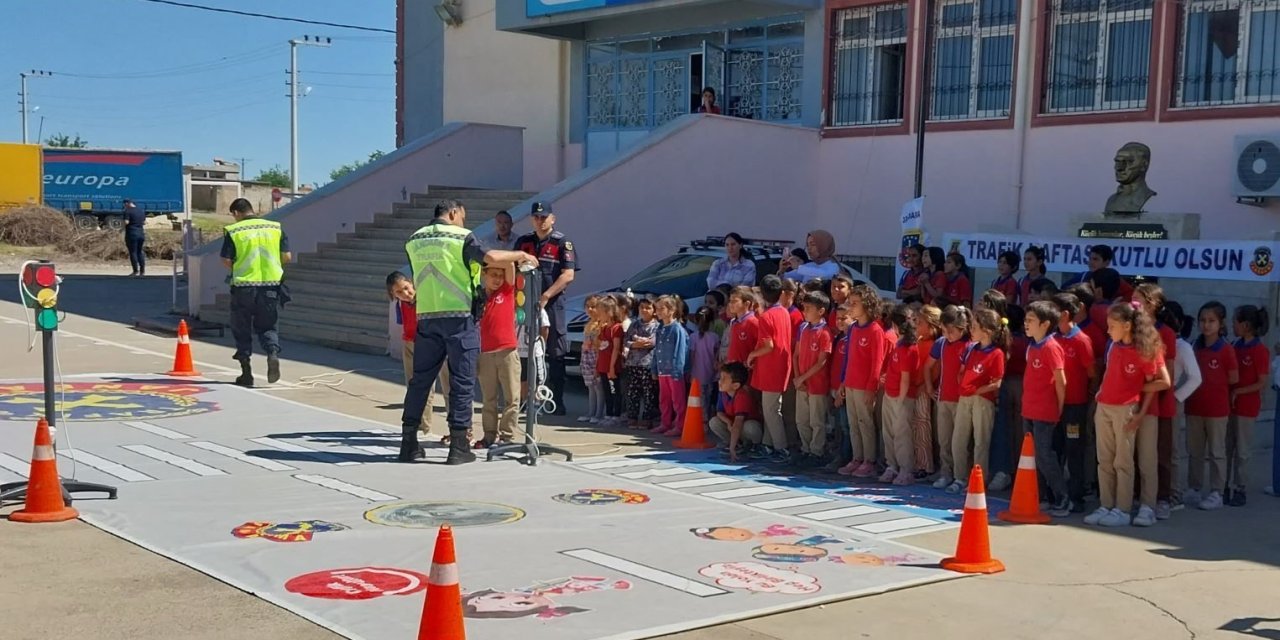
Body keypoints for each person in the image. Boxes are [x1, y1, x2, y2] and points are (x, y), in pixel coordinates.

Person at [399, 199, 537, 464]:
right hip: (459, 319)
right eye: (462, 216)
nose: (463, 221)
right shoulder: (460, 236)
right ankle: (459, 445)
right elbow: (491, 257)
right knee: (462, 382)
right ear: (453, 213)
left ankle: (408, 443)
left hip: (427, 317)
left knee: (420, 382)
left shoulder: (414, 239)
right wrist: (521, 255)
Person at [1085, 301, 1170, 527]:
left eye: (1112, 325)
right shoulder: (1114, 346)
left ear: (1127, 325)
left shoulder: (1145, 349)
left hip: (1127, 408)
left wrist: (1137, 405)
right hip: (1105, 405)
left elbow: (1159, 383)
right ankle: (1106, 504)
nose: (1108, 330)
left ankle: (1124, 509)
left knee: (1126, 461)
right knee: (1105, 460)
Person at [221, 198, 291, 387]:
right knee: (268, 326)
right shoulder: (275, 228)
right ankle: (272, 352)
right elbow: (287, 256)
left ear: (236, 213)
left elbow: (226, 260)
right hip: (270, 287)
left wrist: (240, 268)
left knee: (241, 328)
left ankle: (246, 373)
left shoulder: (235, 231)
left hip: (244, 288)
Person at [516, 201, 577, 415]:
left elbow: (568, 275)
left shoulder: (562, 243)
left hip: (552, 305)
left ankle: (556, 401)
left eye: (544, 217)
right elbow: (514, 270)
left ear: (552, 219)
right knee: (525, 352)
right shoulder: (524, 242)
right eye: (536, 217)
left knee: (555, 353)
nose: (540, 221)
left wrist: (546, 296)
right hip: (525, 304)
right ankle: (526, 399)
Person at [1184, 301, 1238, 510]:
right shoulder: (1193, 346)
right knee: (1195, 451)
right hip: (1194, 407)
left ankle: (1217, 492)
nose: (1206, 325)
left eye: (1211, 321)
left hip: (1217, 410)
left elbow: (1233, 377)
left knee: (1217, 451)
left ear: (1221, 323)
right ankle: (1194, 488)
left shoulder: (1226, 349)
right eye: (1203, 320)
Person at [387, 271, 451, 439]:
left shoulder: (426, 297)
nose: (405, 293)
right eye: (399, 292)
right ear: (393, 294)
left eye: (406, 288)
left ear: (412, 283)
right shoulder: (401, 304)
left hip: (433, 342)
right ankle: (423, 427)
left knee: (449, 386)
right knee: (417, 387)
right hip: (410, 343)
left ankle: (457, 429)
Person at [950, 309, 1007, 493]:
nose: (971, 330)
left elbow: (997, 382)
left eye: (974, 327)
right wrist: (962, 381)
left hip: (982, 400)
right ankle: (959, 477)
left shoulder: (996, 353)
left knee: (981, 442)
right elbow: (962, 370)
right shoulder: (971, 348)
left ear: (987, 331)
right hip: (964, 398)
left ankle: (978, 480)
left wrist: (977, 390)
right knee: (958, 439)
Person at [1023, 301, 1071, 516]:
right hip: (1029, 408)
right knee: (1032, 456)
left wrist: (1058, 408)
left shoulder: (1051, 347)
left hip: (1044, 411)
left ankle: (1062, 497)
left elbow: (1061, 381)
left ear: (1045, 324)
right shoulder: (1032, 345)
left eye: (1031, 320)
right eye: (1026, 319)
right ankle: (1042, 496)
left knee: (1045, 455)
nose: (1026, 323)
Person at [1051, 292, 1096, 512]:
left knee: (1074, 449)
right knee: (1055, 448)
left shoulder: (1081, 340)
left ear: (1065, 314)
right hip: (1054, 405)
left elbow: (1092, 372)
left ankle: (1077, 496)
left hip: (1074, 407)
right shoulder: (1053, 338)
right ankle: (1056, 493)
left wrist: (1088, 397)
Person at [837, 284, 885, 477]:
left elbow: (877, 362)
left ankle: (869, 460)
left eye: (855, 303)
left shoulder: (875, 330)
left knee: (865, 423)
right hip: (850, 383)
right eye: (850, 303)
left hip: (864, 386)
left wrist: (871, 388)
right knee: (854, 423)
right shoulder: (853, 329)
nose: (851, 307)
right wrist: (843, 382)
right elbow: (848, 358)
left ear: (867, 304)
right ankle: (857, 458)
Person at [747, 276, 794, 461]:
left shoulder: (766, 317)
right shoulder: (784, 312)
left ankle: (781, 448)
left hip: (771, 368)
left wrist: (752, 355)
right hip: (781, 365)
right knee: (770, 408)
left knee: (771, 410)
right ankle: (768, 444)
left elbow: (769, 346)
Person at [1229, 305, 1269, 507]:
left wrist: (1238, 391)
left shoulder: (1259, 350)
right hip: (1230, 406)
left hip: (1246, 407)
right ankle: (1224, 485)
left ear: (1245, 325)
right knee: (1227, 447)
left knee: (1242, 450)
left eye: (1235, 322)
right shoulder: (1235, 346)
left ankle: (1240, 487)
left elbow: (1261, 382)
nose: (1232, 325)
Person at [476, 263, 520, 449]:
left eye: (500, 276)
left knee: (512, 397)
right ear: (484, 274)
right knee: (489, 398)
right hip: (485, 353)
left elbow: (510, 264)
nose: (497, 279)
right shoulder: (477, 297)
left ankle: (507, 436)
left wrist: (496, 258)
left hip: (507, 351)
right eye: (493, 275)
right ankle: (488, 435)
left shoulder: (506, 291)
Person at [881, 303, 921, 485]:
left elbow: (906, 378)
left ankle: (906, 469)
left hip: (902, 397)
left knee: (901, 434)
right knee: (889, 432)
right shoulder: (899, 344)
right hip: (890, 394)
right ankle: (892, 466)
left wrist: (901, 400)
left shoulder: (909, 348)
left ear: (896, 326)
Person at [792, 292, 832, 465]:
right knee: (801, 419)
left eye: (808, 308)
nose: (804, 311)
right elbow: (796, 355)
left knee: (817, 421)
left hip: (817, 383)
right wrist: (797, 377)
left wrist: (802, 378)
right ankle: (806, 448)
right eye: (804, 307)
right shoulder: (802, 328)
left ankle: (817, 451)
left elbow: (822, 362)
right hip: (801, 383)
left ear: (821, 311)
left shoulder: (825, 332)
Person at [652, 296, 689, 437]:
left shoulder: (677, 329)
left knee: (678, 400)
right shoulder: (660, 329)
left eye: (661, 309)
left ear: (672, 310)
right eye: (657, 309)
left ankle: (680, 425)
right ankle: (665, 423)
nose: (658, 312)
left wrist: (677, 370)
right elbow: (656, 350)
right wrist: (654, 368)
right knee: (664, 399)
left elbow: (680, 351)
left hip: (674, 372)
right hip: (662, 370)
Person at [710, 362, 763, 460]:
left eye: (724, 379)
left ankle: (755, 445)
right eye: (720, 378)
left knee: (751, 427)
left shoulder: (742, 396)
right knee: (714, 422)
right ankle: (737, 444)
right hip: (734, 426)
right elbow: (719, 412)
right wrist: (728, 422)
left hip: (744, 427)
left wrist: (732, 448)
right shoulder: (723, 393)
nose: (719, 381)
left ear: (735, 385)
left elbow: (738, 423)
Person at [623, 297, 660, 429]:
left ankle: (647, 418)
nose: (644, 310)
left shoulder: (657, 326)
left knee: (648, 392)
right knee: (633, 391)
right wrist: (636, 343)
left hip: (648, 364)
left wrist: (636, 342)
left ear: (654, 311)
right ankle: (632, 416)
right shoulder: (634, 324)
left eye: (648, 308)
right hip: (633, 363)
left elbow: (652, 342)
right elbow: (627, 340)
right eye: (641, 307)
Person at [123, 199, 147, 277]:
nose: (124, 205)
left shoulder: (127, 211)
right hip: (141, 233)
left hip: (131, 233)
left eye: (124, 204)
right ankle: (142, 271)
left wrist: (122, 226)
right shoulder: (141, 210)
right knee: (139, 252)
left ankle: (135, 271)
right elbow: (144, 222)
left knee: (133, 252)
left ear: (128, 203)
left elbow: (126, 222)